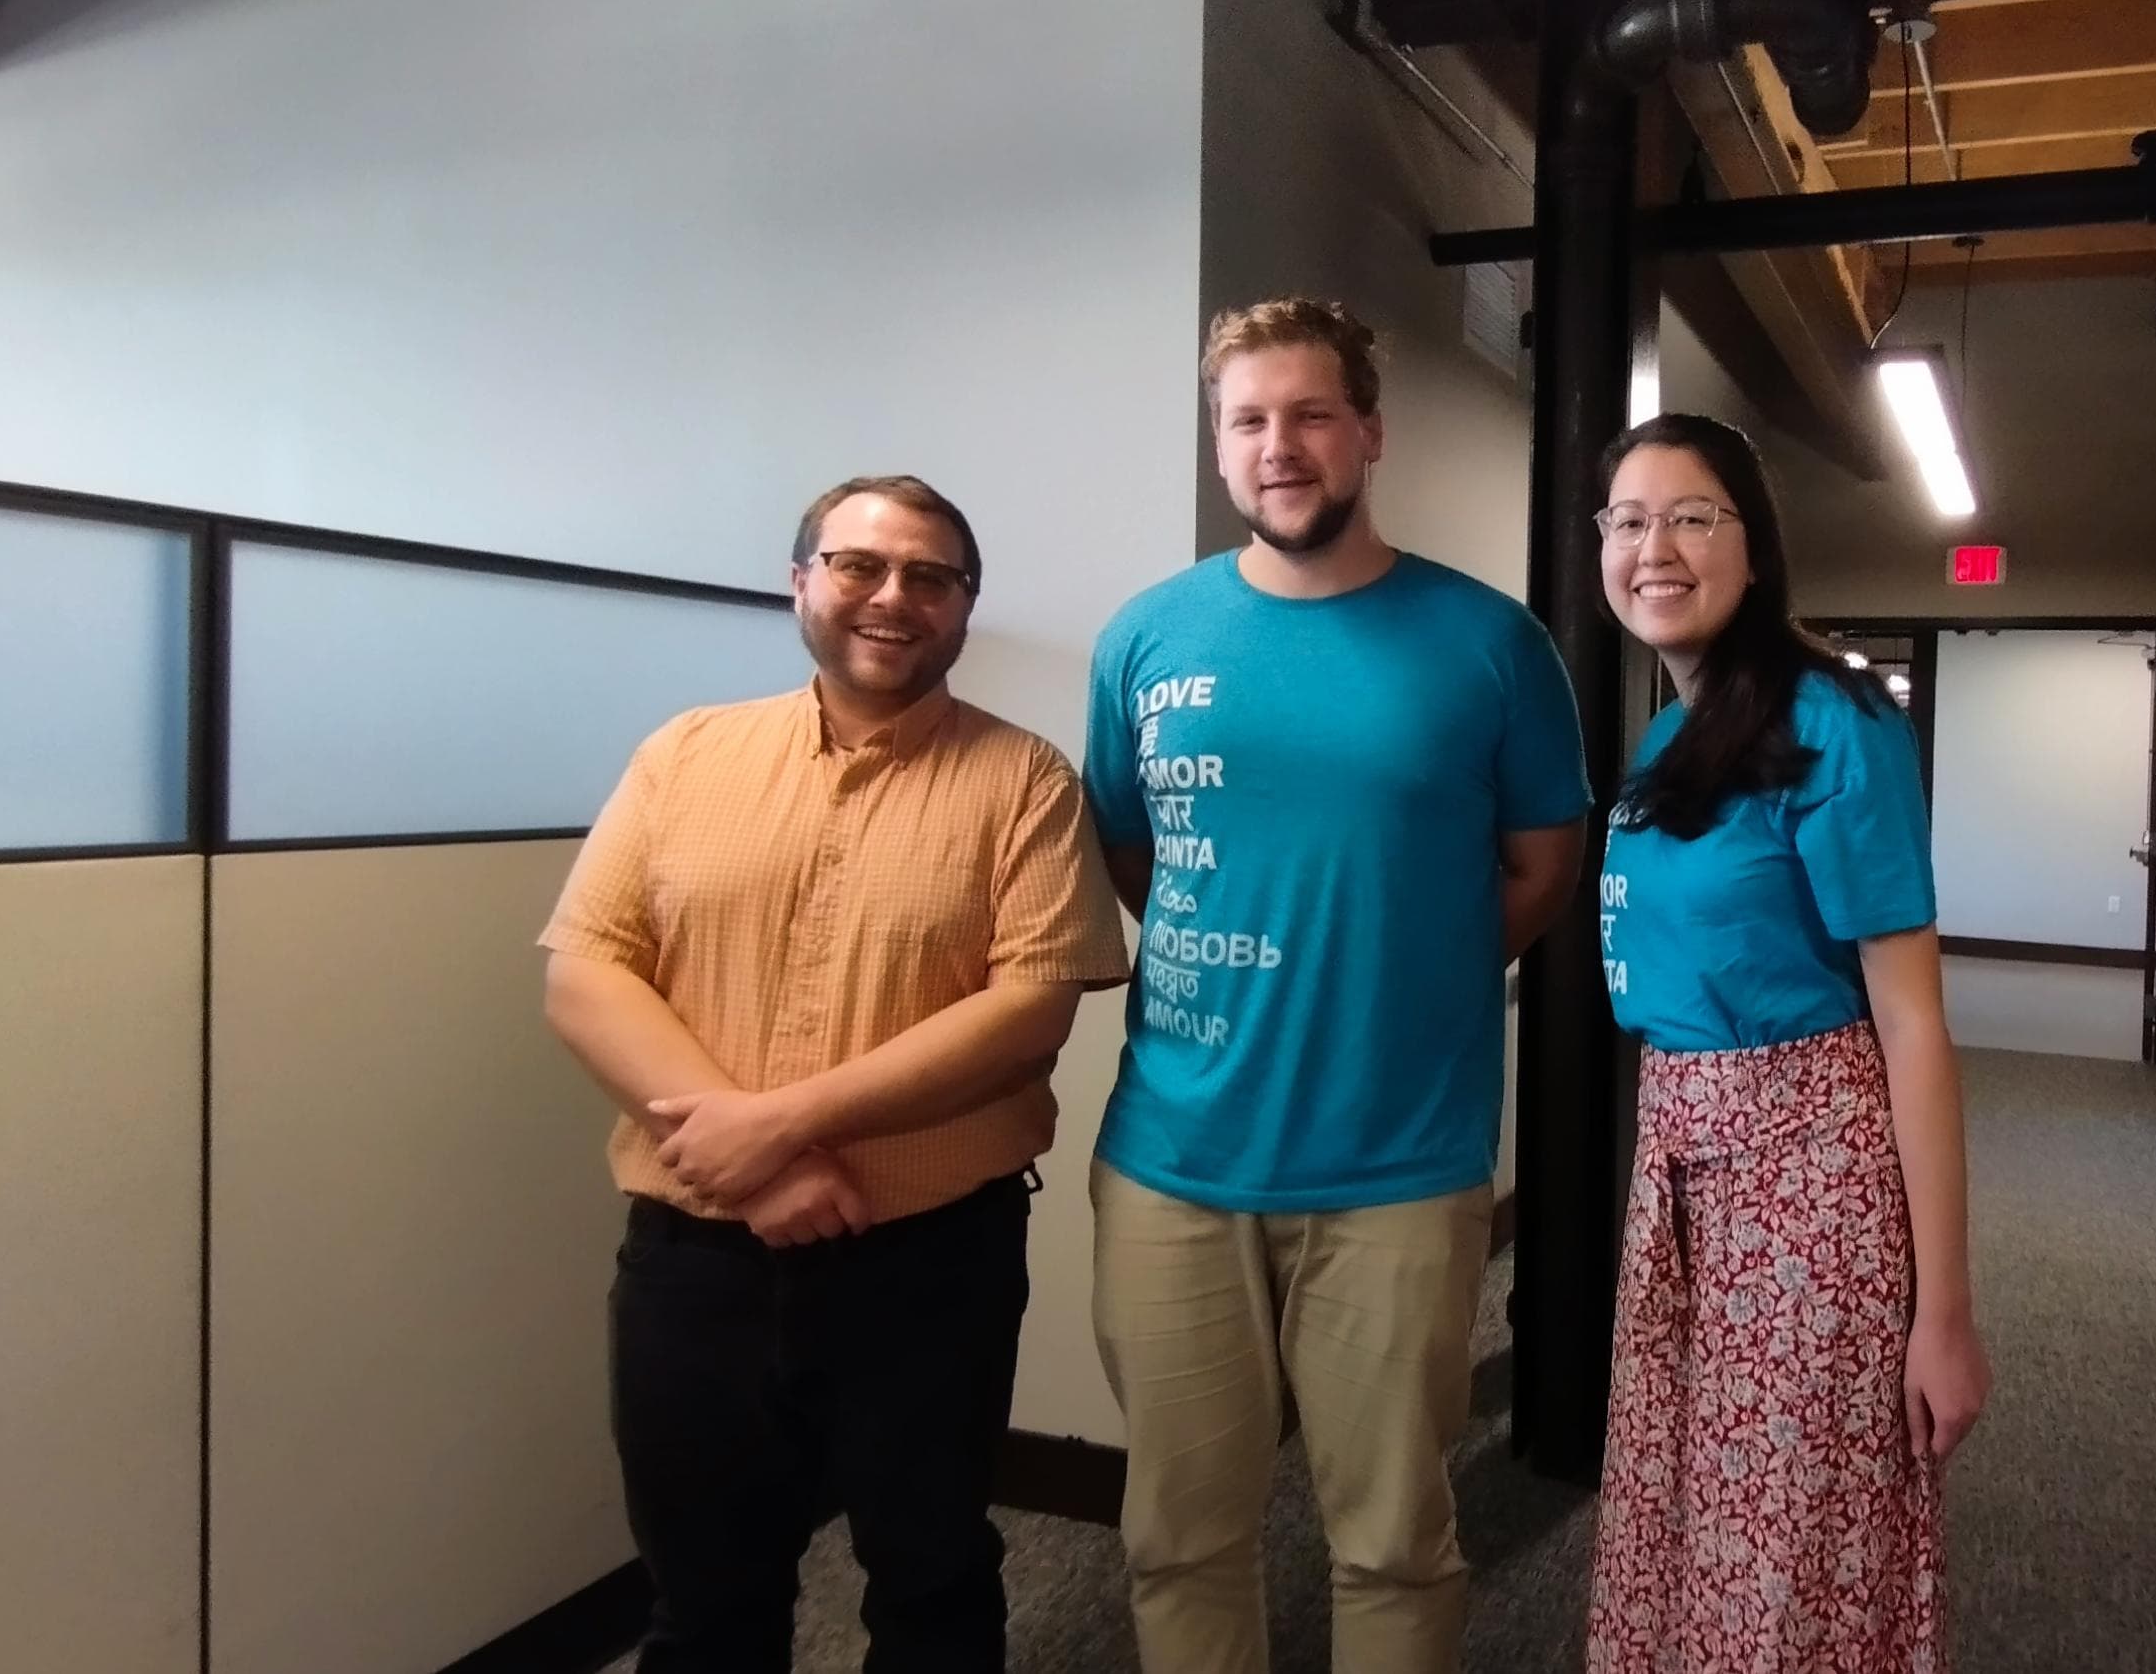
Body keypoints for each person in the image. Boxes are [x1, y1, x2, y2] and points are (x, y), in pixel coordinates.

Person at [539, 475, 1129, 1674]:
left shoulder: (1026, 782)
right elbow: (585, 972)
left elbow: (1027, 1013)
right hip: (693, 1263)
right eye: (858, 564)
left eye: (929, 575)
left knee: (933, 1582)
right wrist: (759, 1173)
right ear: (801, 578)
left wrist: (779, 1127)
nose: (891, 596)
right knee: (703, 1599)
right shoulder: (686, 753)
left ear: (965, 606)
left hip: (927, 1262)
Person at [1081, 297, 1592, 1674]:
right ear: (1219, 446)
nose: (1279, 445)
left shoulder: (1491, 642)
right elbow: (1131, 844)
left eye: (1310, 414)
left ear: (1369, 429)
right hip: (1174, 1158)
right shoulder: (1147, 636)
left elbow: (1544, 862)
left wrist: (1404, 959)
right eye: (1247, 420)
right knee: (1178, 1532)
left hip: (1399, 1164)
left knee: (1390, 1539)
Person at [1581, 413, 1989, 1673]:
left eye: (1691, 515)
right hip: (1681, 1171)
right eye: (1627, 519)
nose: (1654, 546)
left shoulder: (1834, 725)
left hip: (1809, 1185)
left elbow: (1914, 1022)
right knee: (1692, 1510)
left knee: (1792, 1540)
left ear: (1754, 549)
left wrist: (1946, 1312)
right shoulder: (1668, 737)